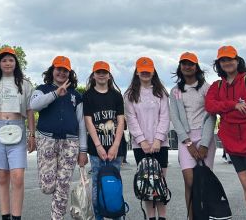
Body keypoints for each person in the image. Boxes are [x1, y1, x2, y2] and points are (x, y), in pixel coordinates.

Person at [205, 45, 246, 220]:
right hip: (233, 144)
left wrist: (225, 113)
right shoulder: (217, 86)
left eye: (230, 59)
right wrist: (234, 105)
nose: (227, 62)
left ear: (237, 60)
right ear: (219, 63)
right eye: (223, 60)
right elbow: (210, 106)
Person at [30, 56, 88, 220]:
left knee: (63, 185)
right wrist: (56, 93)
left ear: (69, 73)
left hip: (70, 143)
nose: (61, 73)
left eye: (65, 70)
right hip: (47, 140)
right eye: (58, 69)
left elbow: (81, 123)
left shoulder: (76, 95)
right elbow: (34, 105)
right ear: (52, 70)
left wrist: (83, 150)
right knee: (47, 186)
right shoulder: (42, 89)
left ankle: (57, 217)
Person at [0, 46, 35, 220]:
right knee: (2, 177)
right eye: (4, 60)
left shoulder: (25, 84)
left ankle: (16, 216)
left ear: (16, 63)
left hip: (17, 127)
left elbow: (30, 110)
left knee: (18, 177)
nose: (7, 63)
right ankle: (5, 216)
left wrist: (32, 134)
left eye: (11, 60)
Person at [169, 52, 216, 219]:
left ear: (196, 67)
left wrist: (204, 144)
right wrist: (187, 142)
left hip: (205, 137)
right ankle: (191, 216)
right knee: (189, 180)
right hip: (185, 139)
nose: (187, 67)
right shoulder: (175, 91)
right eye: (184, 64)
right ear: (180, 67)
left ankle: (205, 215)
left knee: (204, 181)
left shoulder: (207, 88)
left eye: (191, 64)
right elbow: (174, 117)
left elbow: (211, 115)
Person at [124, 57, 170, 220]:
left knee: (160, 182)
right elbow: (131, 119)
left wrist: (158, 139)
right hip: (140, 146)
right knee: (146, 184)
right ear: (137, 72)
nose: (145, 73)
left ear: (153, 72)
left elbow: (165, 117)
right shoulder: (130, 94)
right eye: (142, 70)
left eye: (148, 71)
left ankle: (162, 216)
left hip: (160, 144)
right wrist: (141, 140)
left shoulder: (161, 93)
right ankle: (150, 217)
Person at [82, 60, 124, 220]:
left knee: (114, 183)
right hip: (96, 148)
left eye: (104, 72)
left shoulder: (116, 96)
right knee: (97, 184)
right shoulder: (88, 96)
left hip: (115, 148)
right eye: (98, 72)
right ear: (93, 75)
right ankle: (99, 216)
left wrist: (115, 145)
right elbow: (88, 121)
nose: (101, 75)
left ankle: (115, 214)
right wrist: (98, 146)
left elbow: (120, 121)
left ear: (109, 75)